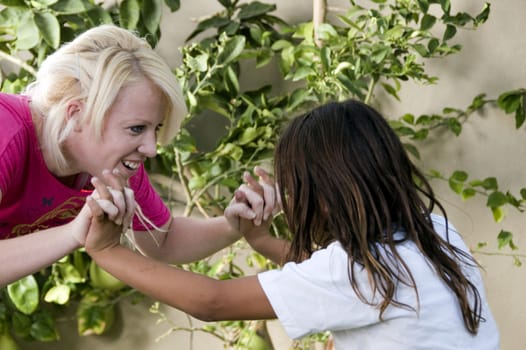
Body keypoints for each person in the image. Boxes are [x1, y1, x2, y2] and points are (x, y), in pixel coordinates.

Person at [84, 99, 500, 349]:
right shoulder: (433, 232)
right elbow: (342, 275)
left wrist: (107, 252)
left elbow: (212, 302)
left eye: (294, 183)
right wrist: (261, 240)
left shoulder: (353, 272)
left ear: (323, 191)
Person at [0, 24, 252, 287]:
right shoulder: (5, 130)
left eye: (156, 129)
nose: (151, 149)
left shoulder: (110, 165)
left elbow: (163, 240)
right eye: (136, 129)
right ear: (75, 113)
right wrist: (72, 234)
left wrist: (233, 224)